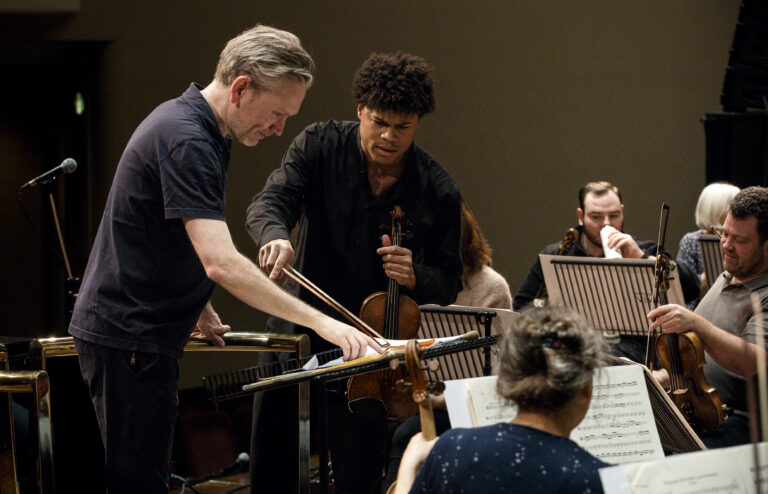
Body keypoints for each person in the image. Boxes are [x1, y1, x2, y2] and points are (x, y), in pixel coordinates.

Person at [68, 25, 381, 494]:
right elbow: (221, 261)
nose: (278, 129)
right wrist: (326, 325)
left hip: (141, 336)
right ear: (240, 88)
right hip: (130, 335)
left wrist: (196, 300)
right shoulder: (188, 138)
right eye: (277, 113)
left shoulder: (203, 130)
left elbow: (168, 230)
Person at [246, 52, 463, 493]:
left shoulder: (437, 188)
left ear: (417, 123)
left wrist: (416, 275)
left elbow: (450, 279)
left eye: (402, 127)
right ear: (360, 110)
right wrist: (275, 235)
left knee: (359, 475)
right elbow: (269, 203)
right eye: (378, 121)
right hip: (299, 328)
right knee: (273, 465)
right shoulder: (319, 145)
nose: (388, 137)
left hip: (371, 356)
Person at [393, 306, 609, 494]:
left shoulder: (453, 448)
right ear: (585, 388)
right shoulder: (600, 480)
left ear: (507, 378)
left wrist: (408, 466)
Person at [383, 199, 511, 488]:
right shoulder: (405, 281)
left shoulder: (490, 286)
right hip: (417, 401)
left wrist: (430, 399)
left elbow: (494, 376)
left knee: (405, 435)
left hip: (466, 407)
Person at [513, 180, 699, 363]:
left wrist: (641, 258)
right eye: (596, 217)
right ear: (580, 216)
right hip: (571, 346)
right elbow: (520, 307)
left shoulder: (643, 249)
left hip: (632, 350)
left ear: (622, 212)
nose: (607, 224)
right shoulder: (557, 253)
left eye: (614, 215)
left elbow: (692, 289)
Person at [648, 186, 768, 449]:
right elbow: (698, 363)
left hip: (741, 425)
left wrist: (696, 323)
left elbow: (753, 361)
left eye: (740, 240)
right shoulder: (726, 277)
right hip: (700, 413)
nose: (726, 245)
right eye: (724, 233)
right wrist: (658, 379)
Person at [676, 182, 739, 308]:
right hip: (698, 308)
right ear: (715, 209)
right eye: (731, 206)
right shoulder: (691, 240)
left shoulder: (739, 241)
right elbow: (685, 289)